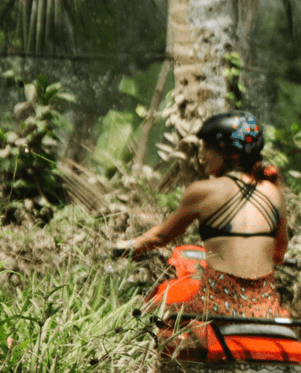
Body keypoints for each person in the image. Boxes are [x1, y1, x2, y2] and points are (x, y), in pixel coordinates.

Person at [118, 111, 291, 326]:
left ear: (230, 154)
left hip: (216, 307)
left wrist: (127, 246)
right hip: (266, 310)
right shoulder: (274, 192)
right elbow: (279, 253)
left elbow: (161, 236)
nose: (201, 155)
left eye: (207, 147)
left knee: (150, 315)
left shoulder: (202, 191)